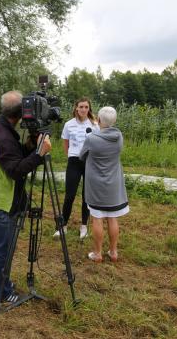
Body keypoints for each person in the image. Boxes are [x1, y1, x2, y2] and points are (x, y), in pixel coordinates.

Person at [0, 90, 52, 312]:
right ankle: (2, 293)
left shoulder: (1, 129)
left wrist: (29, 146)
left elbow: (13, 155)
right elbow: (16, 170)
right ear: (21, 113)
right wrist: (39, 154)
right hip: (1, 203)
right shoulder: (3, 137)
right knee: (2, 250)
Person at [79, 106, 129, 263]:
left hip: (96, 185)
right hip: (114, 183)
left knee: (97, 218)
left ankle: (97, 253)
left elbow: (82, 155)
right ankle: (113, 252)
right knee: (113, 218)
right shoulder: (119, 136)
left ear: (98, 120)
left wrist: (94, 131)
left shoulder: (92, 138)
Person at [54, 97, 98, 240]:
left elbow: (98, 143)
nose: (83, 109)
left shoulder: (94, 124)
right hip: (74, 161)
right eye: (81, 107)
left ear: (89, 109)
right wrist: (69, 155)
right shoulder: (69, 124)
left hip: (89, 162)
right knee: (69, 195)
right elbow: (66, 142)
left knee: (87, 196)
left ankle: (84, 225)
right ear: (76, 108)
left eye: (86, 107)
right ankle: (63, 226)